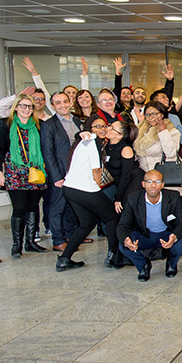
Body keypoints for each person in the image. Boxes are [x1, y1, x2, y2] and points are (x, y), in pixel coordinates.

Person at [57, 118, 122, 272]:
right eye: (97, 126)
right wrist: (97, 188)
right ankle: (114, 256)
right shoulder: (91, 141)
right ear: (89, 128)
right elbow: (96, 170)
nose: (102, 129)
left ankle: (64, 259)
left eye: (104, 126)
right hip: (85, 189)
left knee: (86, 223)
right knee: (112, 217)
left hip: (70, 189)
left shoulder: (84, 142)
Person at [0, 94, 48, 257]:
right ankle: (17, 245)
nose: (27, 109)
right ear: (16, 107)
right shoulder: (6, 124)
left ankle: (30, 242)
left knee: (33, 207)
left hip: (36, 172)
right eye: (23, 106)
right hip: (14, 172)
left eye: (30, 106)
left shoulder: (39, 125)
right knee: (19, 208)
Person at [117, 170, 182, 281]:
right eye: (149, 181)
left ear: (162, 185)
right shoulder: (133, 198)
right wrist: (126, 239)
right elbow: (122, 225)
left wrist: (174, 236)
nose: (153, 185)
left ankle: (171, 263)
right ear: (143, 184)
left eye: (157, 182)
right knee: (123, 245)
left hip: (166, 234)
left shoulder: (173, 197)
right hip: (145, 235)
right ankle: (143, 265)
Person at [40, 92, 83, 253]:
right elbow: (48, 153)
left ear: (70, 102)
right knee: (58, 207)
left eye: (65, 101)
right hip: (60, 173)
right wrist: (56, 177)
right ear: (52, 106)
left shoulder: (78, 121)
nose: (63, 105)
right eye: (58, 103)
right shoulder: (48, 125)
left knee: (72, 206)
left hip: (77, 172)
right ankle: (58, 240)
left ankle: (71, 235)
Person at [104, 121, 144, 215]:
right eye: (110, 125)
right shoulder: (106, 145)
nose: (108, 128)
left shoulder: (126, 149)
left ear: (120, 136)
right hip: (119, 180)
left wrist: (118, 197)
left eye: (112, 128)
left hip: (133, 179)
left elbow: (126, 175)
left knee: (125, 206)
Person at [134, 102, 181, 172]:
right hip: (143, 173)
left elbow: (171, 153)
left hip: (163, 172)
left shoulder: (172, 131)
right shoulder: (140, 130)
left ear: (162, 114)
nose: (151, 117)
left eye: (154, 114)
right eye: (147, 115)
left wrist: (163, 131)